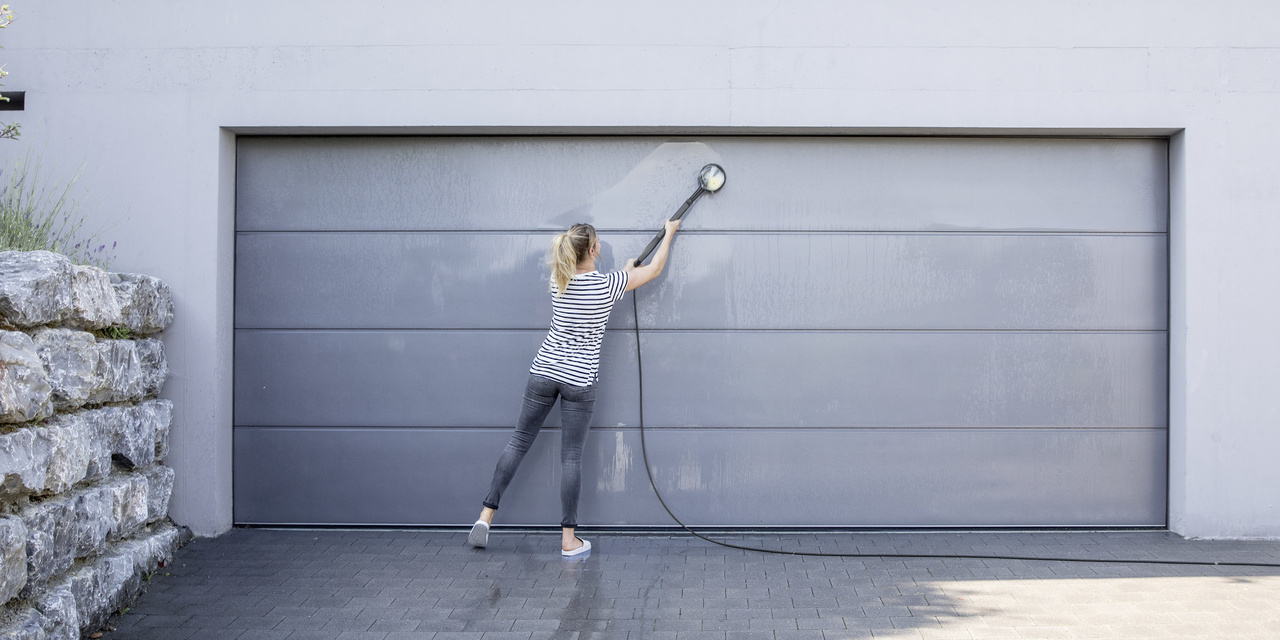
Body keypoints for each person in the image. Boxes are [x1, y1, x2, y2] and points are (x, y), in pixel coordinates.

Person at [468, 219, 681, 556]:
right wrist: (668, 233)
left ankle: (485, 517)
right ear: (594, 250)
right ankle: (569, 541)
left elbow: (607, 279)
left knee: (518, 442)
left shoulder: (559, 280)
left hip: (544, 371)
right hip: (579, 380)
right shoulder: (608, 286)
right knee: (571, 458)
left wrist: (624, 271)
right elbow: (653, 269)